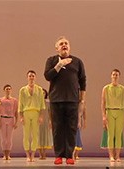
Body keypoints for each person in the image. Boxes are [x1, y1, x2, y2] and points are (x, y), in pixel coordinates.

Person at [44, 36, 86, 165]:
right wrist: (59, 65)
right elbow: (47, 76)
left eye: (66, 43)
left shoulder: (77, 61)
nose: (64, 45)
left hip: (72, 100)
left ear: (69, 46)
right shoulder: (51, 60)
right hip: (56, 100)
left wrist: (82, 99)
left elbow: (82, 80)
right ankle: (58, 155)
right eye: (61, 44)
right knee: (57, 129)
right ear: (57, 48)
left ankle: (69, 155)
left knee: (71, 128)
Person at [101, 69, 124, 162]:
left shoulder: (123, 89)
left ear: (119, 76)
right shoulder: (106, 88)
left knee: (118, 134)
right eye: (113, 74)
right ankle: (111, 156)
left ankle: (117, 156)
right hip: (110, 111)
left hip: (120, 111)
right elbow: (103, 103)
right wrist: (104, 116)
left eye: (116, 75)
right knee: (110, 134)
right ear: (111, 76)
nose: (115, 76)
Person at [18, 70, 45, 162]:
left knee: (35, 134)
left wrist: (41, 116)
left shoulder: (39, 89)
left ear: (35, 77)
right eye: (30, 76)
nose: (31, 77)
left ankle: (33, 154)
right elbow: (20, 104)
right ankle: (27, 154)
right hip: (26, 112)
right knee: (26, 135)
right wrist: (21, 116)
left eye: (33, 76)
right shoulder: (22, 90)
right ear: (27, 77)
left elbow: (42, 104)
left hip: (36, 113)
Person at [0, 84, 18, 160]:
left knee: (9, 138)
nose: (8, 90)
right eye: (6, 89)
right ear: (4, 90)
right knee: (3, 138)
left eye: (9, 89)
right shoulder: (0, 100)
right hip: (3, 118)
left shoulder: (14, 100)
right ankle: (4, 154)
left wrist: (16, 122)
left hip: (11, 119)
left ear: (11, 90)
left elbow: (16, 112)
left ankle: (8, 154)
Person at [38, 88, 53, 160]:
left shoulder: (48, 102)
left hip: (46, 121)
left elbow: (50, 112)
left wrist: (50, 121)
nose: (42, 94)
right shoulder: (36, 102)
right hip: (38, 121)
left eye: (44, 93)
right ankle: (40, 154)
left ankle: (44, 153)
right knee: (39, 136)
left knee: (45, 136)